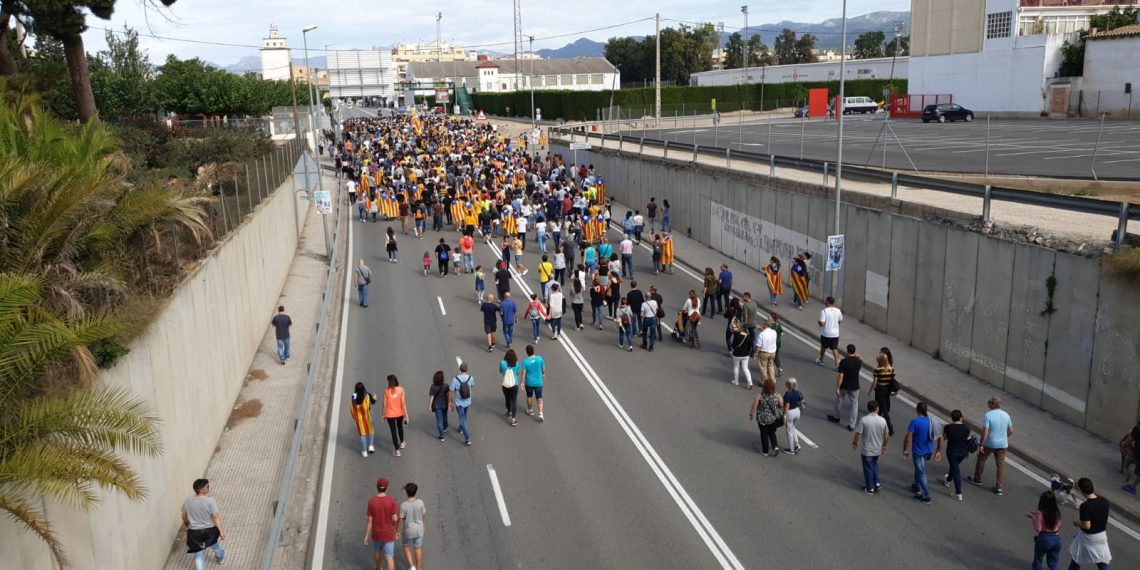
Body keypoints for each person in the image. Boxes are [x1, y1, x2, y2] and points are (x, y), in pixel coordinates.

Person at [968, 396, 1014, 496]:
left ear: (993, 404)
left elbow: (985, 432)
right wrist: (1003, 438)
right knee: (1000, 466)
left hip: (989, 443)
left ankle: (977, 479)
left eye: (989, 402)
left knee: (981, 459)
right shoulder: (1006, 415)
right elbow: (1011, 430)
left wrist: (981, 443)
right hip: (1002, 445)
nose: (987, 403)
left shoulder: (988, 415)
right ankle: (999, 487)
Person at [1068, 478, 1112, 569]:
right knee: (1101, 560)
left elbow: (1087, 525)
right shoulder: (1104, 501)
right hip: (1101, 535)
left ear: (1082, 491)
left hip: (1088, 538)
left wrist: (1077, 523)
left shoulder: (1085, 506)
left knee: (1077, 557)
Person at [182, 479, 225, 570]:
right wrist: (220, 530)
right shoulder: (210, 501)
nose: (209, 488)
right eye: (207, 487)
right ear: (202, 489)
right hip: (209, 530)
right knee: (215, 545)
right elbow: (215, 516)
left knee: (198, 554)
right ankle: (220, 558)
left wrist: (186, 523)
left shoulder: (187, 501)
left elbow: (184, 515)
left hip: (194, 532)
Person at [853, 401, 890, 494]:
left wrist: (855, 442)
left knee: (868, 468)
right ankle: (876, 482)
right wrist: (884, 446)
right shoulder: (883, 420)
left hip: (867, 449)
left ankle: (870, 488)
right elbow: (886, 436)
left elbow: (858, 434)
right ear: (877, 409)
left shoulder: (864, 420)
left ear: (868, 409)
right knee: (874, 464)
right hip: (877, 449)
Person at [902, 402, 936, 504]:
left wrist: (905, 449)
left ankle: (926, 496)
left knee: (921, 472)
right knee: (919, 468)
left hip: (918, 451)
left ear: (918, 410)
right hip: (928, 450)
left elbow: (908, 438)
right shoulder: (931, 421)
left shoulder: (915, 422)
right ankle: (917, 485)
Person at [364, 477, 399, 570]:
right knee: (389, 557)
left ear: (377, 487)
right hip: (388, 533)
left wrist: (367, 535)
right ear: (386, 488)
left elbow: (370, 521)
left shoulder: (371, 501)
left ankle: (378, 568)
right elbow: (395, 518)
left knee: (377, 552)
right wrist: (395, 530)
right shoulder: (391, 501)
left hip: (376, 533)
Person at [937, 409, 971, 501]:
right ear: (961, 418)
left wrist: (938, 451)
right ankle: (948, 480)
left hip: (952, 452)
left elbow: (942, 439)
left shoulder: (948, 427)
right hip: (963, 453)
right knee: (954, 466)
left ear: (952, 418)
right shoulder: (967, 428)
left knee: (956, 470)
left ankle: (958, 492)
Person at [828, 344, 862, 431]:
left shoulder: (844, 362)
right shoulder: (859, 362)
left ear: (847, 351)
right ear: (854, 351)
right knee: (854, 405)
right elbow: (858, 357)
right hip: (855, 386)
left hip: (845, 385)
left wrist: (837, 387)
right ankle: (852, 425)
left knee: (840, 401)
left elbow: (841, 376)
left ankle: (836, 417)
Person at [1028, 490, 1063, 570]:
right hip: (1056, 539)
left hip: (1044, 539)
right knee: (1053, 563)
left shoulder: (1040, 513)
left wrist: (1033, 518)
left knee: (1038, 560)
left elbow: (1038, 529)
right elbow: (1059, 525)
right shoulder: (1057, 513)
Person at [749, 379, 784, 457]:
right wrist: (776, 406)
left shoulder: (760, 396)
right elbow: (781, 405)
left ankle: (765, 451)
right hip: (772, 419)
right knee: (772, 432)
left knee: (764, 434)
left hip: (762, 419)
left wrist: (751, 414)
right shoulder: (777, 395)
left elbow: (754, 405)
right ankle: (775, 447)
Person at [399, 483, 427, 570]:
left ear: (407, 493)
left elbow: (400, 519)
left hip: (408, 530)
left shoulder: (403, 505)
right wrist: (423, 525)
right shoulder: (420, 502)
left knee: (406, 546)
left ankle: (411, 567)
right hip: (419, 529)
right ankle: (419, 568)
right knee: (417, 548)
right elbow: (423, 515)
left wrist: (397, 531)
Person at [870, 351, 898, 435]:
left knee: (883, 409)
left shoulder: (877, 370)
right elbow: (892, 379)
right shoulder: (891, 369)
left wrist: (870, 390)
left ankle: (889, 427)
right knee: (884, 406)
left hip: (880, 390)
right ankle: (878, 421)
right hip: (887, 390)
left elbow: (875, 382)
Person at [383, 375, 409, 457]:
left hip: (390, 414)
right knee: (399, 427)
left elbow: (384, 405)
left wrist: (383, 415)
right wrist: (406, 415)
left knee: (393, 431)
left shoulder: (386, 391)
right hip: (399, 413)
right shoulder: (401, 389)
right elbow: (403, 403)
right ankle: (402, 442)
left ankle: (397, 451)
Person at [449, 363, 474, 445]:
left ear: (460, 370)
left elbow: (451, 391)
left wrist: (450, 402)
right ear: (467, 370)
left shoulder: (455, 379)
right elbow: (472, 386)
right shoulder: (470, 378)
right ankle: (461, 428)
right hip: (467, 401)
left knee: (462, 419)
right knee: (464, 415)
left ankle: (467, 438)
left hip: (459, 403)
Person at [351, 382, 378, 457]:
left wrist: (355, 417)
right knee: (371, 430)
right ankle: (371, 446)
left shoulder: (353, 397)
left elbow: (352, 408)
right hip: (368, 416)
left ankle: (364, 452)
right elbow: (373, 401)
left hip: (360, 419)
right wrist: (375, 398)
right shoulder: (367, 395)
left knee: (362, 434)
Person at [816, 296, 843, 367]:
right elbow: (840, 321)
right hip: (835, 334)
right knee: (834, 348)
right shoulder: (838, 310)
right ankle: (837, 364)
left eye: (826, 301)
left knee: (823, 347)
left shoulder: (824, 311)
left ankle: (821, 360)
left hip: (826, 333)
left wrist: (819, 322)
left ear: (827, 302)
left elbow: (822, 323)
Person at [521, 344, 546, 421]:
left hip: (529, 382)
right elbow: (543, 368)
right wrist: (543, 374)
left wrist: (522, 382)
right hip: (538, 382)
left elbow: (523, 373)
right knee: (539, 398)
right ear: (533, 351)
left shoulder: (525, 362)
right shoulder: (539, 358)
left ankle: (530, 410)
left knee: (529, 397)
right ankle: (541, 413)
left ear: (527, 352)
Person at [500, 349, 522, 426]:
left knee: (507, 399)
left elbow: (500, 371)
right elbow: (518, 373)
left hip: (505, 384)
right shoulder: (517, 364)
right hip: (514, 384)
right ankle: (513, 419)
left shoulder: (502, 363)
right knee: (514, 401)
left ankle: (509, 411)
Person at [729, 321, 754, 387]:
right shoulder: (748, 336)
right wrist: (748, 352)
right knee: (745, 368)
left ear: (741, 328)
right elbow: (750, 346)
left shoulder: (736, 335)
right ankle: (750, 382)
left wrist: (732, 351)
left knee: (736, 367)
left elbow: (733, 345)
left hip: (737, 354)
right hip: (745, 355)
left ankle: (736, 381)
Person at [783, 378, 804, 455]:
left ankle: (791, 449)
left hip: (790, 413)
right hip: (797, 411)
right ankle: (797, 445)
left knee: (789, 431)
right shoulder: (798, 392)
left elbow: (787, 406)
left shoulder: (787, 394)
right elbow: (801, 401)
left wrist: (784, 415)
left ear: (789, 385)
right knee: (793, 428)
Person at [428, 371, 449, 441]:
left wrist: (430, 406)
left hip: (437, 405)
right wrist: (450, 403)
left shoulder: (433, 387)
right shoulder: (446, 386)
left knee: (439, 421)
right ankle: (445, 427)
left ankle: (442, 436)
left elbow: (432, 397)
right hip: (444, 404)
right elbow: (449, 395)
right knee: (445, 416)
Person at [755, 321, 777, 385]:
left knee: (763, 367)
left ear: (765, 325)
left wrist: (756, 353)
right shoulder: (774, 332)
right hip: (772, 353)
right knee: (771, 366)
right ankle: (773, 380)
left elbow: (758, 346)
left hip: (764, 353)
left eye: (763, 324)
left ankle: (764, 382)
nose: (762, 325)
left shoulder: (762, 334)